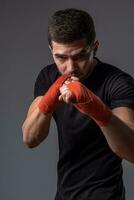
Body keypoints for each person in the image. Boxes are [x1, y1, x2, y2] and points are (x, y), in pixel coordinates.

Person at [22, 8, 134, 200]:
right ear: (51, 51)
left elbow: (132, 151)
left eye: (80, 56)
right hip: (64, 194)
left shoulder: (117, 82)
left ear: (95, 47)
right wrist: (48, 100)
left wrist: (95, 108)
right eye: (61, 58)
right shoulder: (49, 77)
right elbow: (30, 139)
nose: (71, 67)